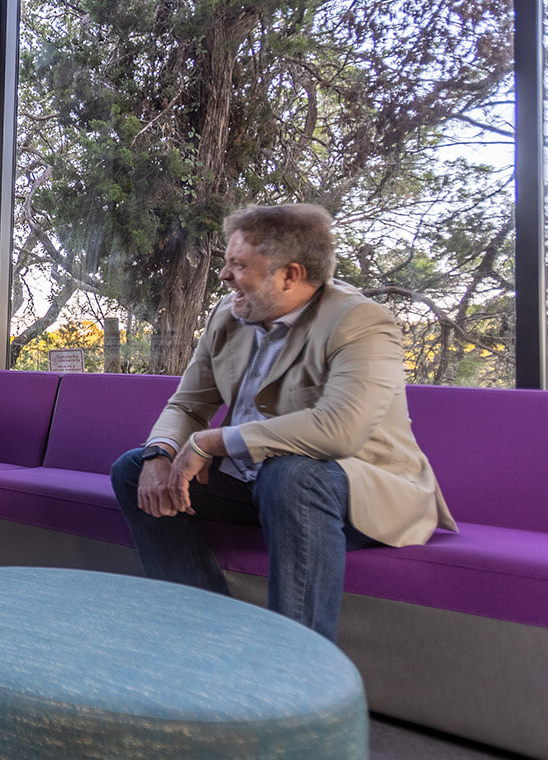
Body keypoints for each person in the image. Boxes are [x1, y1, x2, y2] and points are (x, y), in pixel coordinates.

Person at [110, 203, 455, 642]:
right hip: (260, 485)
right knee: (133, 470)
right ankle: (200, 633)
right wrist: (160, 453)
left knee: (290, 475)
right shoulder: (229, 314)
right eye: (226, 263)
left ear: (289, 275)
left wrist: (212, 443)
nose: (224, 275)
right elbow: (188, 405)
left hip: (353, 490)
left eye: (238, 265)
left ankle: (296, 672)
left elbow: (339, 429)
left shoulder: (360, 322)